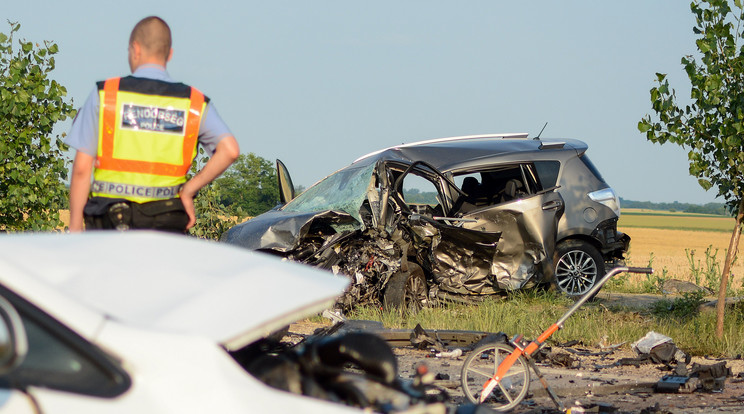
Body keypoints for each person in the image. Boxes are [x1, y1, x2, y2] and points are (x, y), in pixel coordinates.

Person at [66, 16, 239, 233]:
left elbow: (82, 168)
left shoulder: (106, 95)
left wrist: (74, 227)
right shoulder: (194, 103)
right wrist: (188, 191)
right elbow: (230, 150)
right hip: (167, 222)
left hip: (110, 221)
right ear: (169, 54)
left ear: (135, 49)